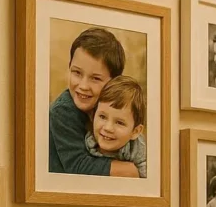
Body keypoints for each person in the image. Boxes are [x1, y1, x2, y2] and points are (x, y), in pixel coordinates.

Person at [48, 28, 142, 178]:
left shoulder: (116, 108)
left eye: (96, 78)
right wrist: (128, 170)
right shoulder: (62, 111)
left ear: (114, 81)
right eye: (77, 73)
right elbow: (77, 166)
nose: (83, 86)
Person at [84, 76, 148, 177]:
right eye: (102, 117)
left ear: (135, 131)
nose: (108, 128)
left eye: (119, 123)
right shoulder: (86, 142)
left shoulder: (137, 150)